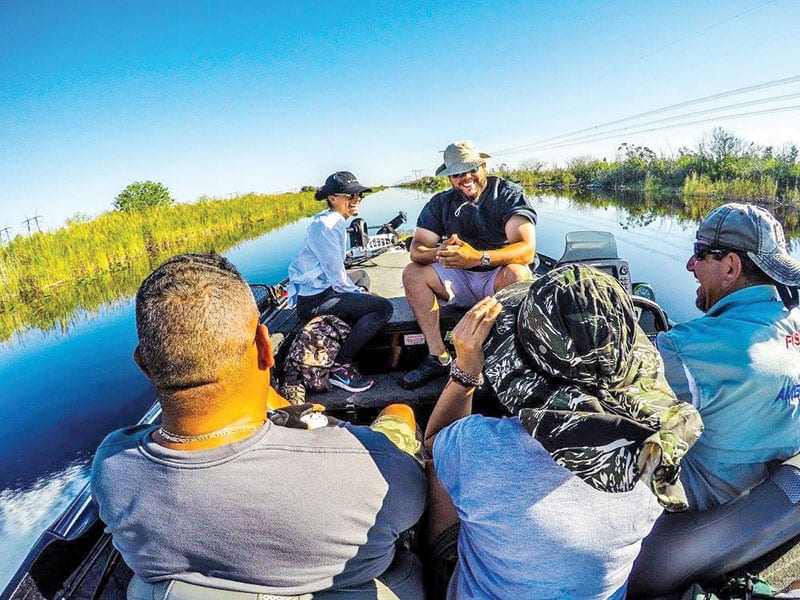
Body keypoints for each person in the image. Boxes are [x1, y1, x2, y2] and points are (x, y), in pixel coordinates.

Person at [91, 252, 427, 599]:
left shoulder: (112, 466)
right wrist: (311, 420)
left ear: (144, 365)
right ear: (266, 348)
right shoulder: (374, 466)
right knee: (400, 411)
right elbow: (417, 504)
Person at [423, 265, 703, 599]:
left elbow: (434, 443)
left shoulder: (480, 446)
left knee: (436, 473)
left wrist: (465, 370)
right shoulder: (660, 449)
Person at [655, 202, 800, 511]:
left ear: (731, 267)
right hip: (770, 510)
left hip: (699, 521)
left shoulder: (683, 349)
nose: (690, 265)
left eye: (700, 252)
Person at [400, 141, 537, 389]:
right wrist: (440, 251)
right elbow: (417, 249)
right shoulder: (440, 203)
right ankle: (438, 356)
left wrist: (478, 257)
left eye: (471, 169)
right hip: (459, 277)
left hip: (497, 276)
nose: (466, 177)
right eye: (457, 173)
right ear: (450, 178)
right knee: (413, 273)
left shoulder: (506, 194)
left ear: (483, 166)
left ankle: (509, 354)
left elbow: (526, 250)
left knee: (519, 273)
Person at [287, 171, 393, 393]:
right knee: (383, 308)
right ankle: (340, 366)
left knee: (362, 276)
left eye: (359, 196)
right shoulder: (325, 226)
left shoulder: (334, 221)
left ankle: (351, 315)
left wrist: (357, 292)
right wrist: (362, 296)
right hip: (314, 302)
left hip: (324, 288)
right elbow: (337, 278)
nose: (356, 200)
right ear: (332, 198)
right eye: (350, 196)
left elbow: (339, 274)